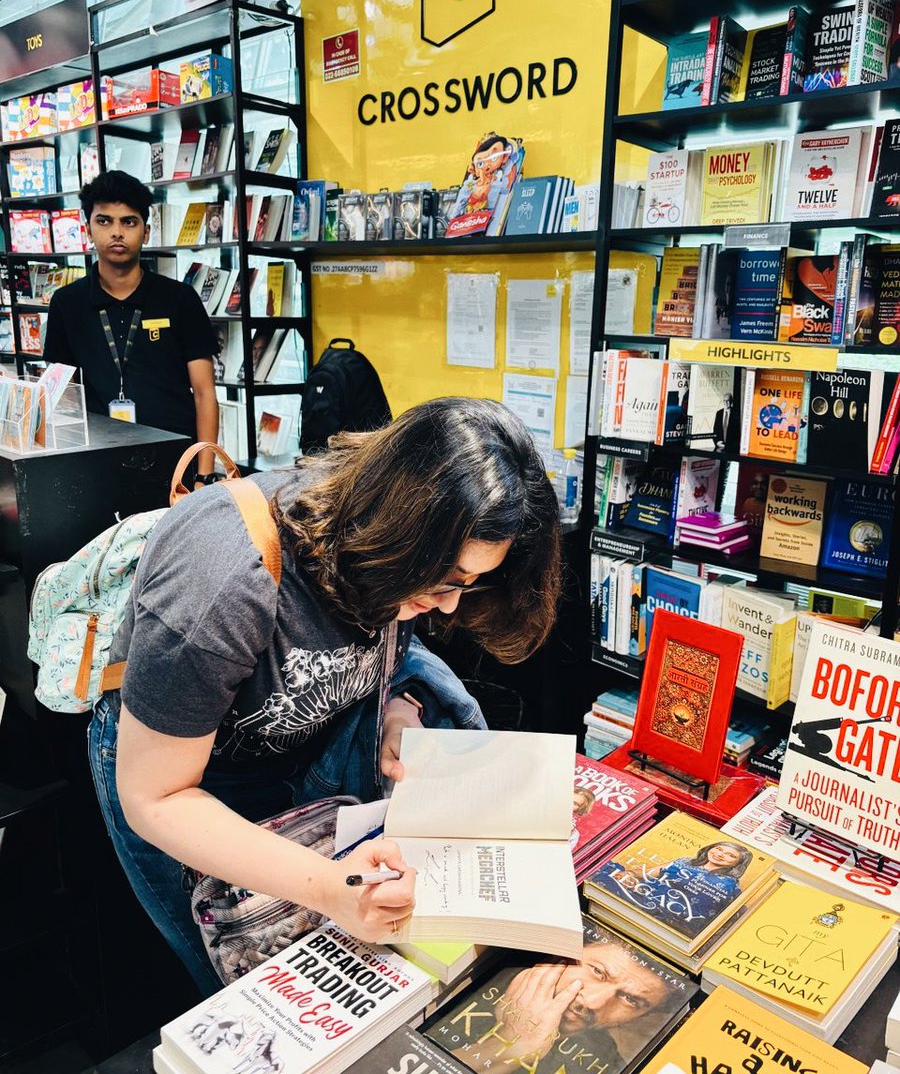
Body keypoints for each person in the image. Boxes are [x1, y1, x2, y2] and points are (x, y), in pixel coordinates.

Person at [87, 398, 561, 995]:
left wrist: (396, 707)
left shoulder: (387, 542)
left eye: (468, 585)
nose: (450, 605)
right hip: (186, 782)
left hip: (300, 744)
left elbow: (372, 645)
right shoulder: (224, 579)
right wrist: (326, 888)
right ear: (396, 529)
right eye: (444, 582)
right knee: (240, 988)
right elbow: (155, 797)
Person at [43, 170, 220, 485]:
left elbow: (205, 393)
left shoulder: (179, 299)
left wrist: (204, 475)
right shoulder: (66, 303)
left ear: (146, 231)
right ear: (88, 229)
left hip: (175, 465)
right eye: (104, 221)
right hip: (96, 466)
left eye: (129, 221)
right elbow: (63, 398)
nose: (116, 232)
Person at [436, 929, 688, 1074]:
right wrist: (506, 1045)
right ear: (561, 952)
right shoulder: (464, 978)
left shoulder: (609, 1065)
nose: (592, 1001)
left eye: (631, 999)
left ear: (641, 1017)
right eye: (598, 971)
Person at [600, 841, 753, 938]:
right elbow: (651, 872)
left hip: (673, 918)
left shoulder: (729, 884)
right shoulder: (685, 861)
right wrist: (631, 874)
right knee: (606, 870)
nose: (720, 855)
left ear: (736, 864)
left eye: (730, 855)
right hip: (644, 895)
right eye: (719, 849)